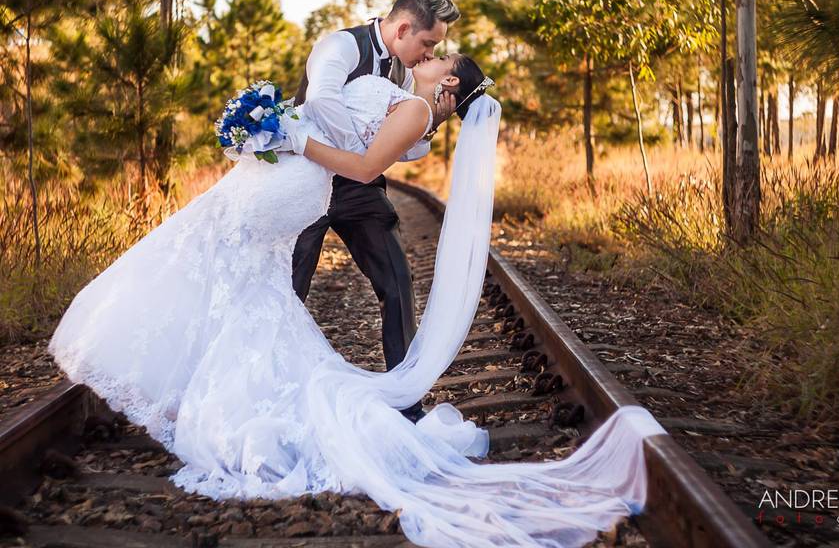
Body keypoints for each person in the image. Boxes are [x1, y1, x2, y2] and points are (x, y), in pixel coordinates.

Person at [49, 36, 665, 548]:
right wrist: (276, 126)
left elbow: (366, 168)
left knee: (242, 277)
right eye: (435, 48)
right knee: (249, 287)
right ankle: (206, 383)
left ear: (447, 88)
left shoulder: (417, 112)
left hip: (310, 176)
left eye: (441, 59)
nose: (433, 55)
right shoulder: (398, 89)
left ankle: (207, 388)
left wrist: (292, 139)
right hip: (293, 175)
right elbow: (334, 105)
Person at [290, 0, 460, 423]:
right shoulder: (341, 45)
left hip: (357, 190)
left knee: (397, 280)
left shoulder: (404, 75)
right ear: (403, 27)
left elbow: (401, 148)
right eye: (427, 43)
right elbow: (320, 99)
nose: (428, 54)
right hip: (306, 177)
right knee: (292, 284)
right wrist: (360, 157)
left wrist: (429, 123)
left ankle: (407, 399)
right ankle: (281, 389)